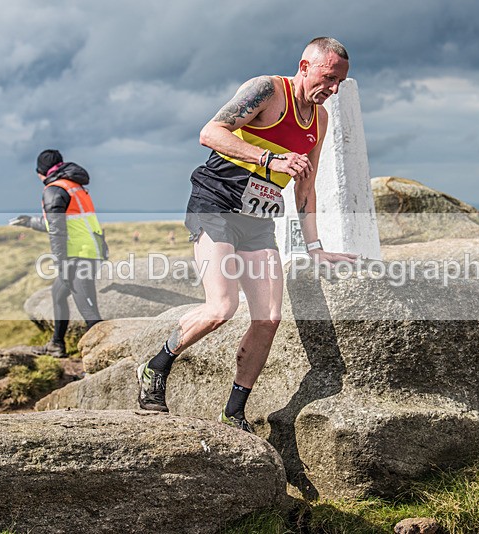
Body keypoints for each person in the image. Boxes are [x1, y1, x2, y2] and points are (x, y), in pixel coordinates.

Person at [137, 37, 357, 432]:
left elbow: (306, 186)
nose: (334, 89)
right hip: (215, 206)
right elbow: (210, 132)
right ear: (305, 66)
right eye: (329, 78)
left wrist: (316, 248)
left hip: (257, 221)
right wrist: (270, 157)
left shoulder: (319, 120)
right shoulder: (267, 90)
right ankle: (155, 367)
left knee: (269, 317)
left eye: (340, 81)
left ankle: (233, 411)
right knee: (222, 308)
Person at [9, 149, 106, 358]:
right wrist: (29, 221)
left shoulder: (53, 190)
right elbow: (58, 223)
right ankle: (56, 344)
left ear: (41, 172)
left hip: (78, 255)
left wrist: (62, 263)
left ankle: (101, 356)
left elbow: (57, 231)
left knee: (89, 311)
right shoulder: (74, 186)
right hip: (89, 250)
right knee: (58, 293)